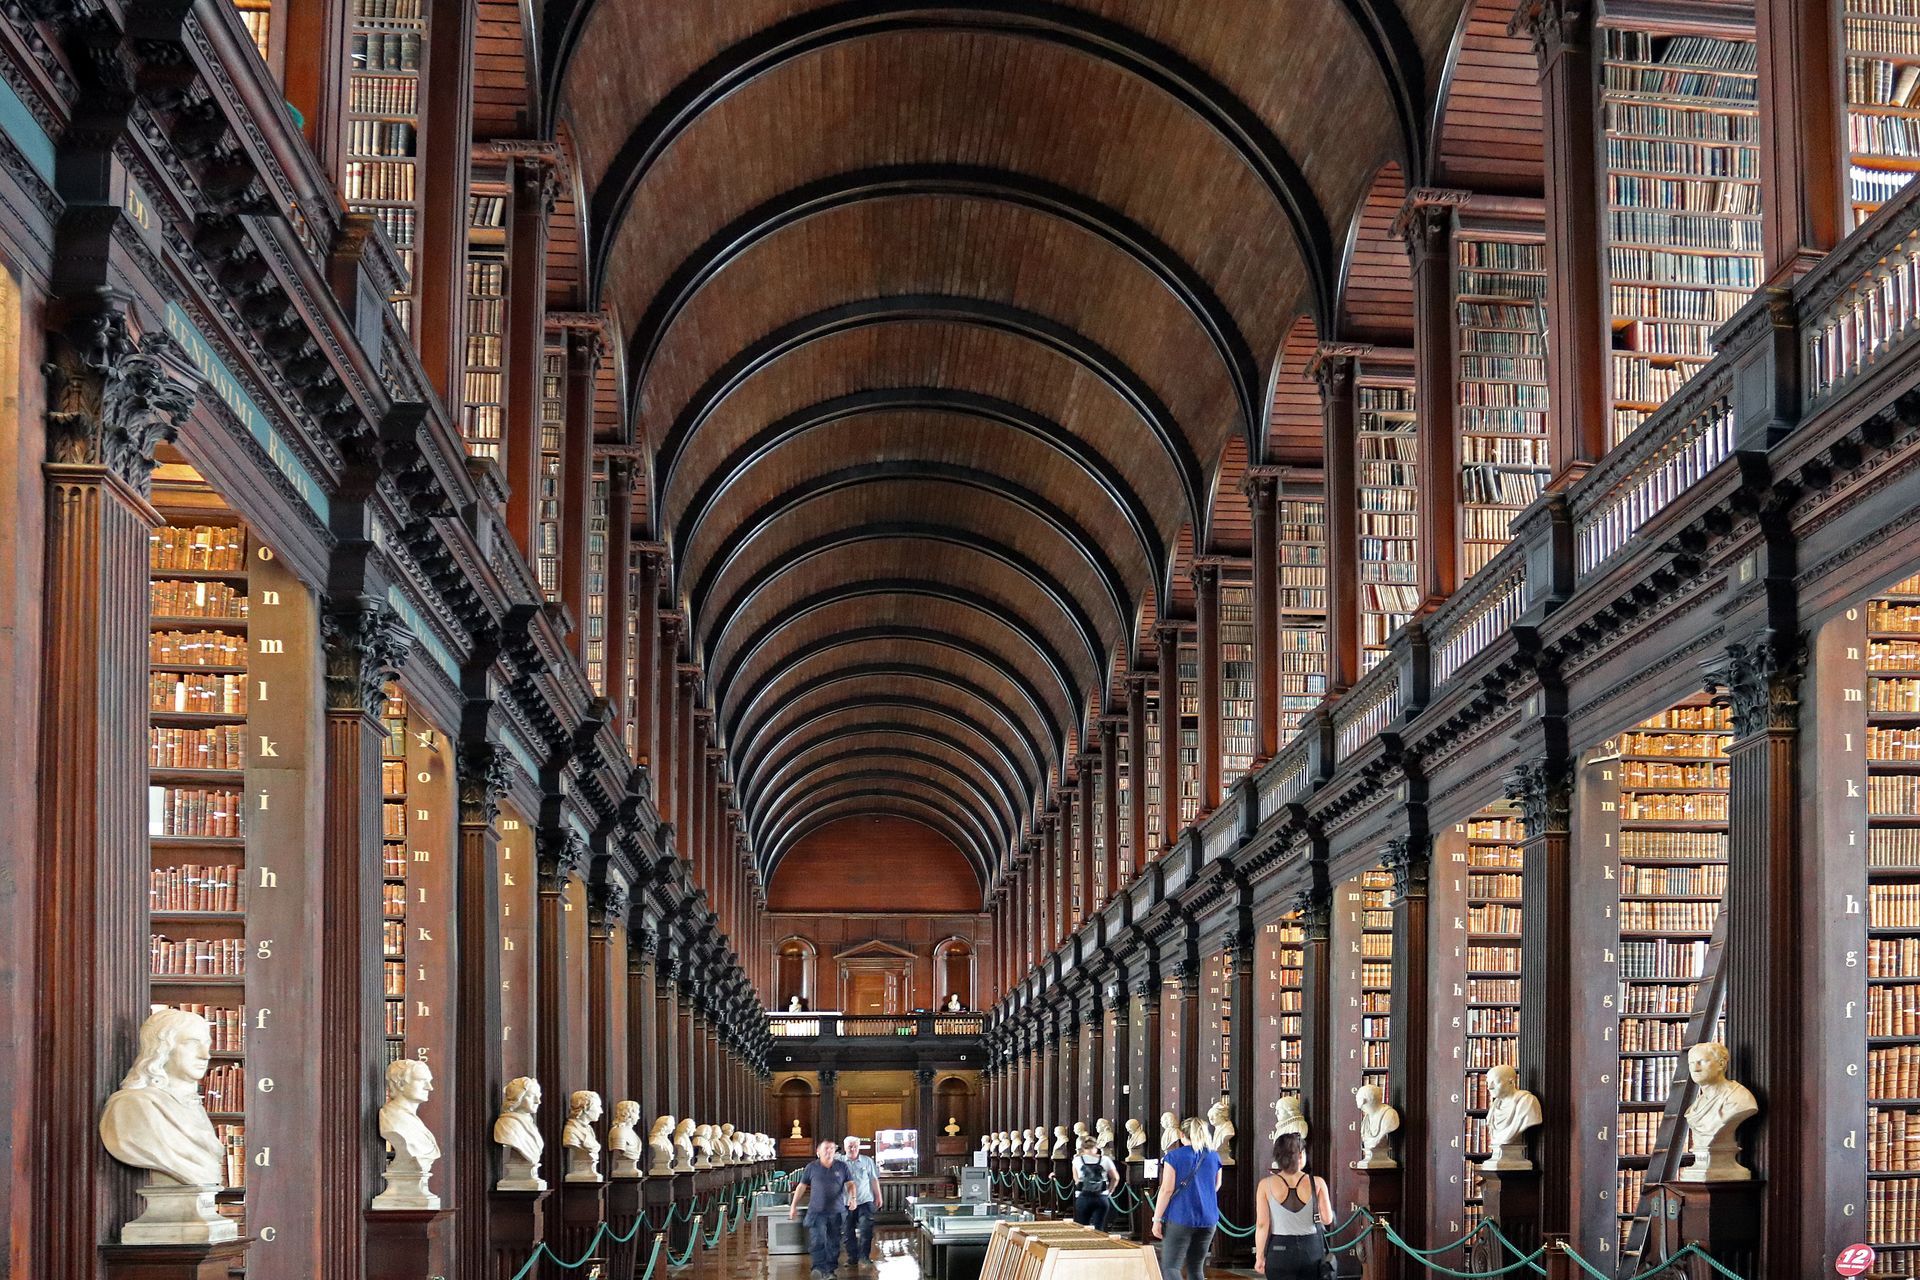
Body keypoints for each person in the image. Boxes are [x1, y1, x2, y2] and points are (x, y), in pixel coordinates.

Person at [1254, 1133, 1336, 1278]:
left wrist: (1259, 1256)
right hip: (1311, 1250)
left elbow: (1262, 1225)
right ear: (1300, 1155)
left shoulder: (1265, 1185)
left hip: (1279, 1249)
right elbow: (1327, 1219)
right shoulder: (1317, 1182)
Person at [1151, 1115, 1222, 1280]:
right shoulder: (1213, 1156)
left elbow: (1166, 1190)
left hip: (1181, 1216)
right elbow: (1216, 1185)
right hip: (1208, 1218)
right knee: (1196, 1268)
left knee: (1171, 1266)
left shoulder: (1174, 1157)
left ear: (1182, 1135)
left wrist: (1156, 1219)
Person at [789, 1138, 855, 1280]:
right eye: (826, 1148)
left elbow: (850, 1184)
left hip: (836, 1211)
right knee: (817, 1239)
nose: (829, 1151)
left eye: (832, 1148)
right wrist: (793, 1206)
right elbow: (801, 1187)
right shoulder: (811, 1167)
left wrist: (853, 1198)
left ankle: (830, 1270)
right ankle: (818, 1268)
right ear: (818, 1151)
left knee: (834, 1242)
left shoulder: (842, 1167)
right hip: (816, 1211)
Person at [837, 1134, 884, 1268]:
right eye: (850, 1147)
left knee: (866, 1229)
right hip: (845, 1203)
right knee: (847, 1232)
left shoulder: (867, 1161)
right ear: (845, 1148)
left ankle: (864, 1257)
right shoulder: (839, 1162)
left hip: (865, 1201)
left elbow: (874, 1180)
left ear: (859, 1147)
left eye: (855, 1146)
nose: (853, 1149)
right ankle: (852, 1258)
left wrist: (878, 1196)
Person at [1070, 1134, 1120, 1232]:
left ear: (1083, 1148)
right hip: (1101, 1196)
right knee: (1099, 1227)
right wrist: (1109, 1191)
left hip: (1083, 1196)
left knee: (1082, 1228)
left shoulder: (1077, 1160)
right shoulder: (1105, 1159)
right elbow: (1116, 1177)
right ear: (1096, 1147)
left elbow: (1076, 1179)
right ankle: (1100, 1246)